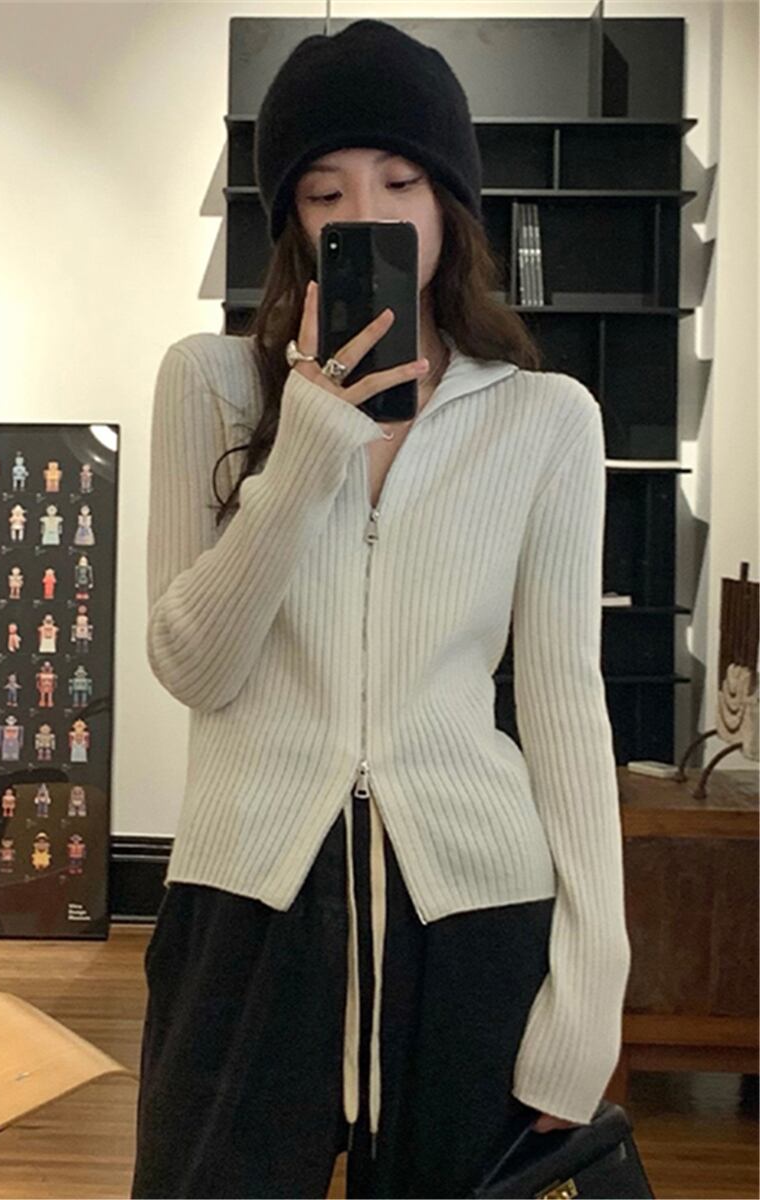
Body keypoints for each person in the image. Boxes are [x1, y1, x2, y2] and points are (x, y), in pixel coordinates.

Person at [130, 18, 631, 1200]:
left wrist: (589, 988)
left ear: (450, 201)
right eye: (325, 191)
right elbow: (193, 666)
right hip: (245, 911)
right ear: (293, 224)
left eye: (402, 181)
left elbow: (563, 706)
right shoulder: (207, 385)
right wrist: (310, 439)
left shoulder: (545, 419)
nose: (367, 212)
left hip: (472, 916)